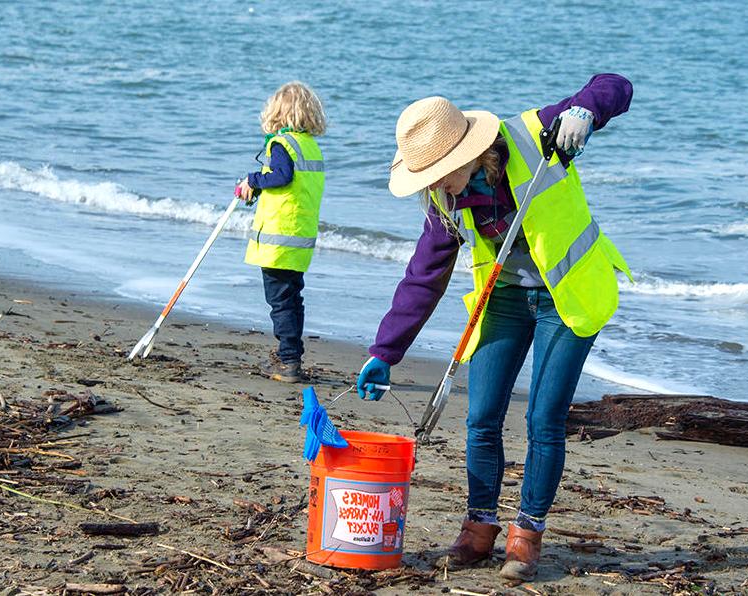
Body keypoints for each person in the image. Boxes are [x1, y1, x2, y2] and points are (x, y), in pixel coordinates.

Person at [356, 74, 633, 581]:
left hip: (568, 298)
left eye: (439, 172)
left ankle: (526, 536)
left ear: (467, 153)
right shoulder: (445, 201)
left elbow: (614, 84)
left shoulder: (539, 136)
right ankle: (479, 528)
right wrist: (385, 351)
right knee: (482, 415)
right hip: (502, 299)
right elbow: (423, 277)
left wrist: (586, 113)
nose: (434, 184)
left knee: (543, 420)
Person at [236, 81, 326, 383]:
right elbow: (293, 184)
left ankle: (288, 360)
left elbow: (281, 177)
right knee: (292, 298)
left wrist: (254, 179)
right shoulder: (311, 147)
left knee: (280, 301)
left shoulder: (281, 145)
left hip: (278, 240)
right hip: (299, 238)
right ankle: (292, 354)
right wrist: (260, 187)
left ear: (277, 113)